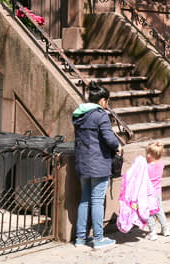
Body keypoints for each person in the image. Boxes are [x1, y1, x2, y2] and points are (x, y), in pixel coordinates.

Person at [73, 82, 121, 248]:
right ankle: (98, 239)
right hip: (98, 163)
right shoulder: (101, 115)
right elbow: (109, 138)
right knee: (97, 201)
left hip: (82, 163)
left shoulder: (78, 115)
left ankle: (80, 238)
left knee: (84, 200)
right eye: (107, 101)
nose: (107, 105)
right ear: (102, 101)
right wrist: (118, 146)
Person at [145, 142, 170, 240]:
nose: (146, 155)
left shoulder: (147, 167)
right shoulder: (161, 164)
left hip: (148, 193)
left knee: (149, 212)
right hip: (157, 192)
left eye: (148, 153)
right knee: (159, 210)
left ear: (151, 155)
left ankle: (152, 232)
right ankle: (165, 229)